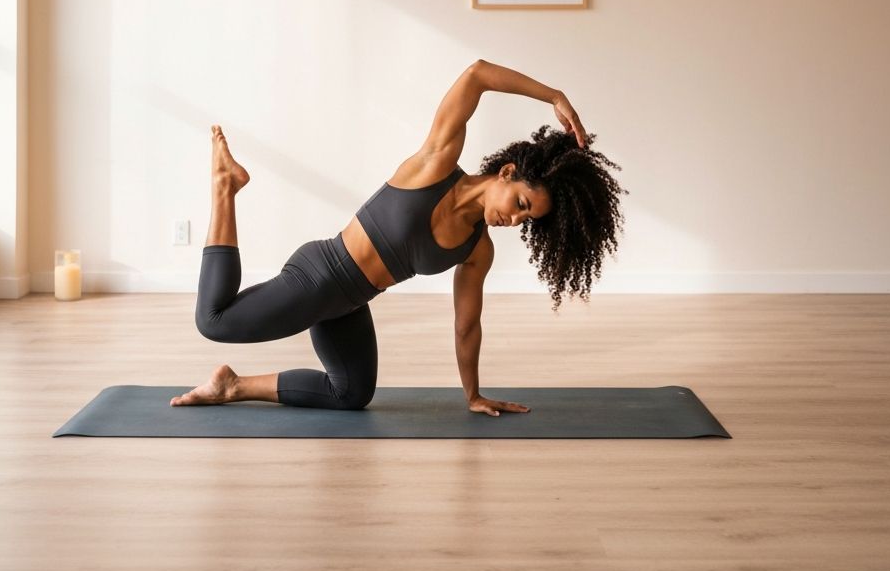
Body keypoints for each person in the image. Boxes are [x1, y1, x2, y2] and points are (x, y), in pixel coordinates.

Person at [171, 59, 626, 417]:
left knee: (350, 393)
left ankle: (232, 386)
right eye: (522, 204)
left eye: (528, 220)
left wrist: (473, 394)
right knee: (214, 320)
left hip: (349, 303)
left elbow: (467, 325)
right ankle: (225, 186)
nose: (516, 219)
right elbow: (477, 75)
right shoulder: (435, 164)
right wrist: (554, 95)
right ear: (507, 173)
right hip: (321, 274)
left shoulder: (477, 249)